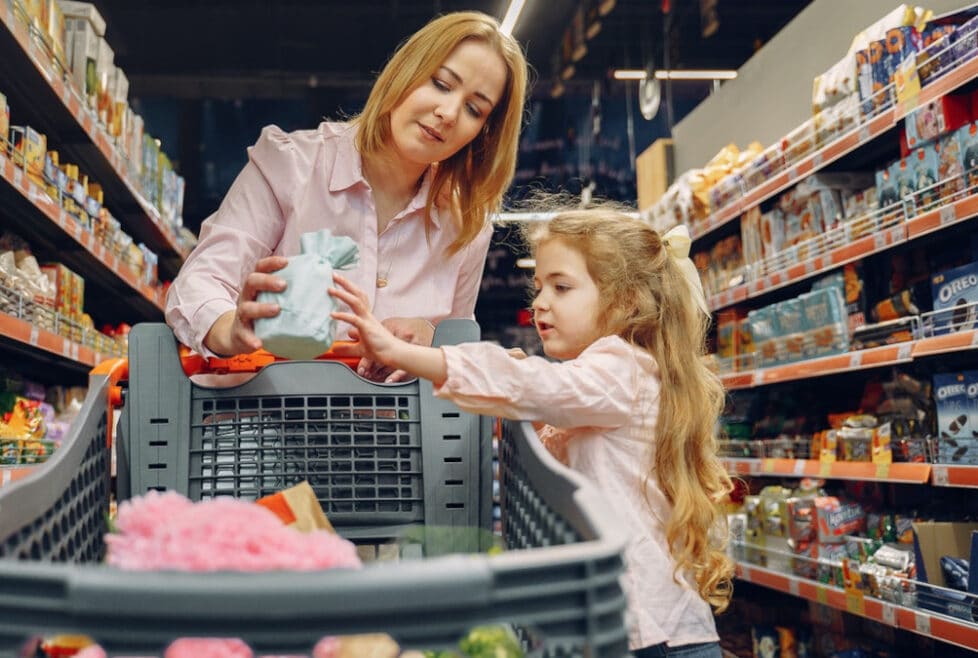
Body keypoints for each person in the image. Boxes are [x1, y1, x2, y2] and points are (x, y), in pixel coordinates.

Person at [328, 204, 734, 657]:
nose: (539, 302)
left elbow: (529, 385)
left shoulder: (621, 366)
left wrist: (400, 354)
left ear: (624, 301)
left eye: (562, 287)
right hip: (646, 625)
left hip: (650, 633)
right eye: (539, 287)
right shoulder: (614, 376)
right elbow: (559, 413)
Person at [165, 11, 529, 382]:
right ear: (406, 70)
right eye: (440, 83)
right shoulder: (291, 166)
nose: (448, 113)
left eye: (474, 109)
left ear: (483, 133)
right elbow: (200, 283)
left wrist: (436, 344)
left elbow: (458, 344)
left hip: (398, 435)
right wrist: (231, 328)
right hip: (267, 424)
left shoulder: (466, 222)